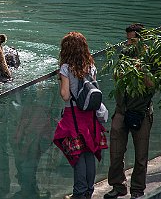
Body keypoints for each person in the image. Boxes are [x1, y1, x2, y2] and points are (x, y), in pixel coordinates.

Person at [53, 32, 108, 199]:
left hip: (74, 116)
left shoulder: (65, 68)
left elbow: (65, 95)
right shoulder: (91, 66)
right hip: (90, 116)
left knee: (77, 156)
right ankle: (88, 192)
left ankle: (78, 193)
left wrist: (64, 83)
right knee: (90, 152)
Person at [104, 23, 155, 199]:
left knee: (141, 155)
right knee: (116, 152)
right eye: (127, 40)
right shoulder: (123, 55)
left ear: (142, 40)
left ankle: (137, 189)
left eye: (132, 40)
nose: (128, 43)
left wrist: (142, 70)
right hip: (121, 110)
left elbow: (153, 85)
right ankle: (118, 185)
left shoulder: (151, 57)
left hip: (141, 111)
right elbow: (116, 78)